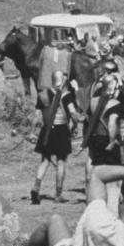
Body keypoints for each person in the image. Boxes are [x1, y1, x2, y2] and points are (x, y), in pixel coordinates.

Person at [31, 69, 81, 205]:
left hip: (46, 130)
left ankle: (36, 186)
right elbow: (73, 113)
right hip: (61, 131)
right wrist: (76, 123)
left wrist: (32, 132)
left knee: (45, 160)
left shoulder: (43, 95)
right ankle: (58, 195)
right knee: (61, 161)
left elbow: (37, 117)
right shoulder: (66, 96)